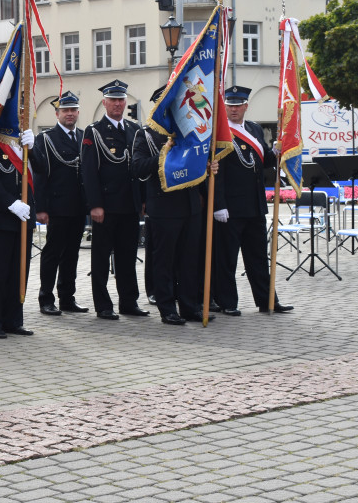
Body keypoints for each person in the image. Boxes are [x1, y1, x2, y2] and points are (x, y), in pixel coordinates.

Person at [131, 87, 210, 325]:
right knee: (164, 261)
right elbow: (138, 168)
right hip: (163, 208)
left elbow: (200, 162)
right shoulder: (146, 135)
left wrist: (209, 168)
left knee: (189, 260)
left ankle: (189, 306)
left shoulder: (189, 133)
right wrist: (164, 155)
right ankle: (167, 308)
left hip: (189, 206)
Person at [214, 86, 294, 315]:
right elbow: (216, 173)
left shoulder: (255, 129)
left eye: (238, 105)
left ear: (246, 107)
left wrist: (277, 151)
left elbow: (263, 161)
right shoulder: (220, 132)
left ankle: (267, 300)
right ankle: (227, 303)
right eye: (230, 105)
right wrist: (218, 205)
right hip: (230, 208)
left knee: (258, 258)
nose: (234, 110)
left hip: (255, 205)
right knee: (227, 260)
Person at [80, 80, 148, 321]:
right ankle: (103, 305)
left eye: (121, 100)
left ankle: (129, 302)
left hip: (129, 205)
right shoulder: (94, 131)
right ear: (104, 102)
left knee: (127, 256)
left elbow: (137, 169)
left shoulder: (134, 130)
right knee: (100, 257)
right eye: (113, 100)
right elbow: (89, 172)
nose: (118, 104)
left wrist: (142, 200)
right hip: (106, 206)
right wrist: (95, 205)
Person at [0, 127, 37, 339]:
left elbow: (43, 170)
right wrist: (9, 203)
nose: (20, 114)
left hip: (25, 217)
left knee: (19, 271)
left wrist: (34, 149)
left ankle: (14, 320)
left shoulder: (25, 140)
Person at [32, 91, 89, 316]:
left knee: (72, 254)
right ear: (57, 113)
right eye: (65, 110)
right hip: (56, 206)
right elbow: (40, 175)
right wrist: (41, 208)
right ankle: (46, 298)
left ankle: (67, 297)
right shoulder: (46, 138)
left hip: (77, 206)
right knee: (52, 253)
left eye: (73, 110)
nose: (70, 114)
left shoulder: (84, 136)